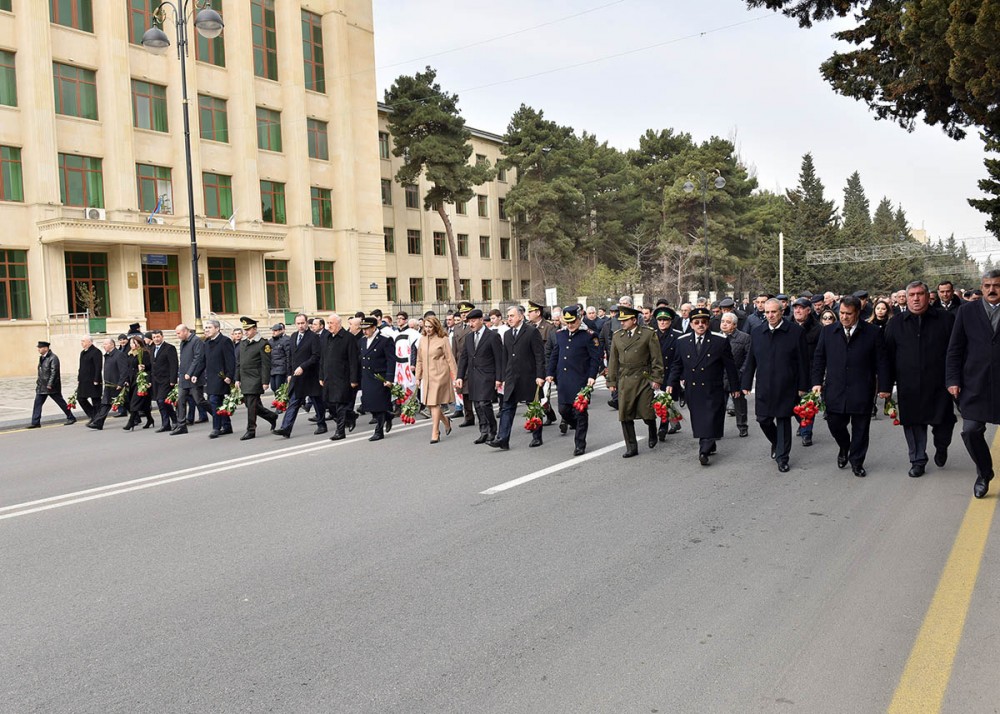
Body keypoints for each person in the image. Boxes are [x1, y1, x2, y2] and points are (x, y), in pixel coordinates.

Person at [881, 281, 956, 478]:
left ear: (928, 296)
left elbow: (955, 352)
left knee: (944, 425)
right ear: (906, 297)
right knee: (913, 424)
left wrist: (955, 380)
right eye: (912, 295)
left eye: (920, 294)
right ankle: (917, 460)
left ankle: (941, 447)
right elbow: (887, 357)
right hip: (909, 386)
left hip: (940, 386)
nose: (916, 298)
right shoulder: (896, 323)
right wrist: (885, 386)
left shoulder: (946, 319)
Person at [811, 295, 887, 477]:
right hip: (835, 388)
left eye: (848, 314)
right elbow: (819, 359)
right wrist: (816, 382)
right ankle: (844, 446)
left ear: (858, 313)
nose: (844, 317)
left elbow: (882, 362)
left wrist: (884, 387)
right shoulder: (828, 332)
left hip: (862, 388)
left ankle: (857, 462)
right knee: (835, 424)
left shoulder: (873, 332)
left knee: (861, 429)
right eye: (842, 313)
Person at [946, 269, 1000, 498]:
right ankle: (984, 472)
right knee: (970, 431)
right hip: (975, 384)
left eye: (996, 285)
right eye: (987, 285)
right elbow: (955, 349)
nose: (992, 290)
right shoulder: (967, 312)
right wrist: (953, 380)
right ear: (982, 286)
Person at [741, 299, 810, 473]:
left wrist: (803, 386)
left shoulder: (795, 332)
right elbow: (751, 360)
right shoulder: (757, 333)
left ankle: (782, 457)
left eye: (774, 312)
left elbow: (803, 362)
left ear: (782, 312)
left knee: (783, 420)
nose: (770, 315)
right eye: (767, 312)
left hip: (787, 385)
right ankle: (777, 443)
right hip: (764, 385)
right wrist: (746, 382)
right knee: (763, 419)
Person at [666, 307, 739, 466]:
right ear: (691, 324)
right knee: (700, 419)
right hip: (693, 388)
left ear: (708, 324)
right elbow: (677, 365)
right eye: (696, 322)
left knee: (711, 418)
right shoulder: (682, 341)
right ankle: (709, 442)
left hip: (713, 387)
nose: (700, 325)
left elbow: (730, 366)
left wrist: (735, 388)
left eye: (704, 322)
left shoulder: (719, 340)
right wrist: (671, 383)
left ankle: (703, 450)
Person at [607, 305, 663, 458]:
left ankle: (652, 429)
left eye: (625, 320)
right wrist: (611, 382)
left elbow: (656, 359)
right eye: (621, 320)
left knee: (646, 411)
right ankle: (631, 446)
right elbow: (613, 361)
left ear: (633, 320)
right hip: (625, 378)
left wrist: (657, 378)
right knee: (625, 414)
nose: (622, 323)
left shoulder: (647, 334)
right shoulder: (618, 336)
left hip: (644, 377)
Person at [546, 306, 602, 456]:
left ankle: (580, 443)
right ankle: (579, 426)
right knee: (563, 410)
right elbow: (555, 355)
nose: (570, 325)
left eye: (573, 322)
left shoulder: (589, 335)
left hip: (580, 379)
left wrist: (592, 376)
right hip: (563, 379)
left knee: (580, 412)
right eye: (567, 322)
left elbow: (595, 358)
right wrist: (550, 373)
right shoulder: (560, 334)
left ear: (579, 318)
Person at [489, 305, 546, 451]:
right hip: (512, 377)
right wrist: (502, 377)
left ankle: (537, 436)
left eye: (512, 316)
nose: (509, 318)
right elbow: (505, 357)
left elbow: (539, 356)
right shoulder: (507, 334)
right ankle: (503, 439)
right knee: (507, 407)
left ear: (521, 316)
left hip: (529, 376)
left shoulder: (531, 332)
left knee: (532, 406)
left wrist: (540, 375)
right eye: (508, 316)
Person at [456, 308, 504, 445]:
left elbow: (498, 359)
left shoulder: (492, 336)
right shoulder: (469, 337)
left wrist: (499, 378)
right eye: (469, 321)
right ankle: (483, 430)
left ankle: (492, 430)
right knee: (477, 404)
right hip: (473, 376)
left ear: (481, 320)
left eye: (473, 321)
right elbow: (464, 358)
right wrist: (460, 376)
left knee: (484, 403)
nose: (471, 324)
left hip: (488, 375)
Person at [274, 313, 323, 438]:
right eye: (298, 323)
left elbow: (316, 356)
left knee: (316, 401)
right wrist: (290, 373)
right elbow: (291, 357)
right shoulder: (294, 336)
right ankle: (286, 428)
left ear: (307, 323)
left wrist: (303, 367)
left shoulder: (313, 337)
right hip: (297, 376)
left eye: (303, 323)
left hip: (310, 375)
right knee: (294, 401)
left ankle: (322, 424)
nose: (300, 326)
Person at [233, 317, 278, 440]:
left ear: (254, 329)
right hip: (245, 378)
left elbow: (266, 364)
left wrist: (265, 381)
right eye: (245, 329)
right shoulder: (243, 343)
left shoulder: (263, 343)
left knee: (252, 405)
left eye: (248, 329)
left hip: (256, 378)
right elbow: (239, 363)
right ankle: (271, 416)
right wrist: (237, 378)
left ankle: (251, 430)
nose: (246, 332)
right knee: (250, 404)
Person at [414, 315, 457, 444]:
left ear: (435, 326)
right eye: (426, 326)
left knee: (434, 403)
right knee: (431, 403)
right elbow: (419, 360)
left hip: (440, 374)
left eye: (430, 327)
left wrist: (455, 376)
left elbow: (450, 358)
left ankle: (435, 431)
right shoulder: (422, 339)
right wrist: (418, 376)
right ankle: (446, 421)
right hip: (427, 376)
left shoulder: (443, 339)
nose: (427, 329)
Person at [318, 313, 360, 441]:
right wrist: (321, 376)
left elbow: (354, 360)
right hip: (329, 377)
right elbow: (323, 359)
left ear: (339, 324)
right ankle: (351, 416)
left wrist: (354, 379)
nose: (329, 326)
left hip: (343, 377)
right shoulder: (327, 338)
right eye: (328, 323)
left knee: (340, 404)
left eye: (332, 323)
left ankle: (340, 431)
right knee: (329, 404)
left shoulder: (348, 338)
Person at [358, 316, 396, 441]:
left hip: (380, 376)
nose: (364, 331)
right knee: (368, 404)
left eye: (367, 329)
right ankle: (387, 415)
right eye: (363, 329)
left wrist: (389, 378)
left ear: (374, 328)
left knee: (378, 404)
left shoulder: (385, 340)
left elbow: (391, 361)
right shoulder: (362, 341)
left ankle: (379, 431)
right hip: (367, 377)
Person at [791, 297, 822, 446]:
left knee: (808, 404)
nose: (797, 311)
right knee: (792, 404)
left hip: (809, 372)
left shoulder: (817, 329)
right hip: (790, 372)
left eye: (801, 308)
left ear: (808, 311)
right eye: (795, 308)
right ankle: (802, 421)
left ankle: (806, 432)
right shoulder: (787, 326)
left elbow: (820, 354)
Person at [171, 323, 210, 435]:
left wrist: (190, 372)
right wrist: (180, 374)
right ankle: (181, 425)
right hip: (184, 377)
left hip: (193, 377)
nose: (177, 335)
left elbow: (198, 358)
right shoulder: (183, 342)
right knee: (181, 401)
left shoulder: (196, 341)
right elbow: (183, 361)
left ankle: (218, 416)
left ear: (185, 331)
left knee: (199, 400)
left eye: (178, 333)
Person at [653, 307, 684, 440]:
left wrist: (678, 379)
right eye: (660, 319)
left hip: (670, 374)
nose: (662, 322)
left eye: (665, 320)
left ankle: (663, 427)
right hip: (654, 375)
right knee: (652, 403)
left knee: (664, 403)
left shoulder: (678, 336)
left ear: (670, 321)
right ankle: (674, 421)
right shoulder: (651, 335)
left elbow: (680, 360)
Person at [28, 341, 75, 428]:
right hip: (42, 386)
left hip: (51, 387)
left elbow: (54, 372)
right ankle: (35, 422)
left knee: (61, 402)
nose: (38, 349)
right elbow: (41, 372)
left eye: (40, 348)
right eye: (38, 348)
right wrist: (38, 383)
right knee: (37, 403)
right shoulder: (42, 358)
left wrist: (50, 384)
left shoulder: (53, 358)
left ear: (46, 348)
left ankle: (71, 417)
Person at [527, 300, 559, 427]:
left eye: (530, 311)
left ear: (538, 312)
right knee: (532, 395)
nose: (528, 314)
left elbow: (555, 348)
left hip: (545, 365)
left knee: (543, 394)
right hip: (530, 366)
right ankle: (548, 414)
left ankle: (537, 419)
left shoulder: (549, 327)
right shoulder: (528, 326)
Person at [203, 319, 236, 439]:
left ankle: (216, 428)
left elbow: (230, 360)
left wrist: (229, 376)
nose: (206, 330)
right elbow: (203, 361)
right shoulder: (207, 343)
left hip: (221, 378)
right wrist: (194, 374)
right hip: (211, 378)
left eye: (209, 327)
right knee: (220, 403)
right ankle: (227, 426)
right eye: (205, 328)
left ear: (217, 329)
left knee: (214, 401)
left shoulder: (225, 341)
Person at [86, 338, 129, 431]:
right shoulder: (107, 355)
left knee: (126, 403)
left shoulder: (119, 355)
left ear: (112, 345)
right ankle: (98, 423)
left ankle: (137, 417)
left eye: (105, 344)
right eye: (103, 344)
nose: (103, 346)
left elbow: (124, 371)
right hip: (109, 385)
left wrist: (121, 383)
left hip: (117, 385)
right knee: (105, 403)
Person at [719, 312, 751, 438]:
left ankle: (742, 426)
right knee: (719, 405)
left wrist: (742, 373)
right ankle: (717, 429)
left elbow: (748, 359)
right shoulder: (716, 337)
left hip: (737, 375)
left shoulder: (744, 338)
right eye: (722, 321)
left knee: (739, 403)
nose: (724, 324)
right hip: (720, 376)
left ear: (735, 325)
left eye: (728, 322)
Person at [122, 336, 154, 431]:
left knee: (135, 402)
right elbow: (128, 368)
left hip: (141, 380)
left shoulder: (144, 353)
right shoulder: (130, 354)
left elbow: (149, 366)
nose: (132, 345)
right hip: (132, 380)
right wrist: (127, 380)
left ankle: (131, 421)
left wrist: (144, 367)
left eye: (134, 343)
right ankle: (150, 419)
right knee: (143, 404)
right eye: (131, 343)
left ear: (139, 343)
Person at [149, 329, 179, 433]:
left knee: (163, 400)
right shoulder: (152, 349)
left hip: (166, 379)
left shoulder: (169, 348)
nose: (156, 339)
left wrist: (173, 380)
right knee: (159, 402)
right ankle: (165, 424)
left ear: (162, 337)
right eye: (154, 337)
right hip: (156, 380)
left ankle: (175, 420)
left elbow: (174, 365)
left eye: (158, 337)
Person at [76, 335, 103, 423]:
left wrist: (96, 379)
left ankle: (98, 419)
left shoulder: (96, 352)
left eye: (83, 341)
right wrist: (79, 378)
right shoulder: (82, 352)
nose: (82, 343)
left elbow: (98, 367)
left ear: (90, 342)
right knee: (80, 398)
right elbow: (81, 367)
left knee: (96, 400)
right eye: (81, 341)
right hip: (84, 381)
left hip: (93, 380)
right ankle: (93, 415)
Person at [268, 323, 291, 393]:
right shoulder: (270, 341)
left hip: (281, 368)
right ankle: (277, 402)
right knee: (273, 387)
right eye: (273, 330)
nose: (273, 332)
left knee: (279, 387)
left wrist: (288, 371)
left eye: (276, 330)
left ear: (281, 331)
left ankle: (281, 403)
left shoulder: (286, 340)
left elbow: (288, 356)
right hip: (272, 368)